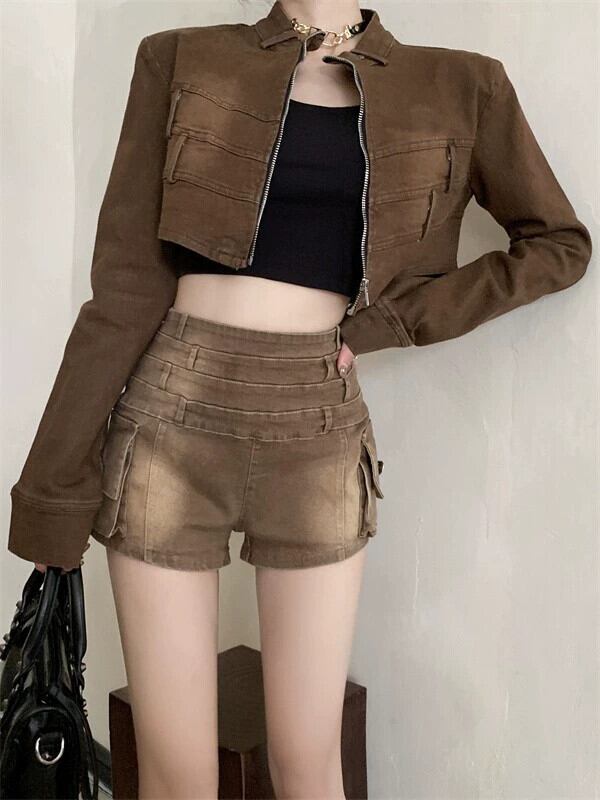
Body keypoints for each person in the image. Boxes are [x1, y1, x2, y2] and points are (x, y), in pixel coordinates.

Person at [7, 0, 591, 797]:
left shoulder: (462, 86)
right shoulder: (179, 58)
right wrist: (51, 494)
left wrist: (395, 322)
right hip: (169, 413)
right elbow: (123, 291)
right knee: (176, 779)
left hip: (316, 423)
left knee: (309, 768)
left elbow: (558, 244)